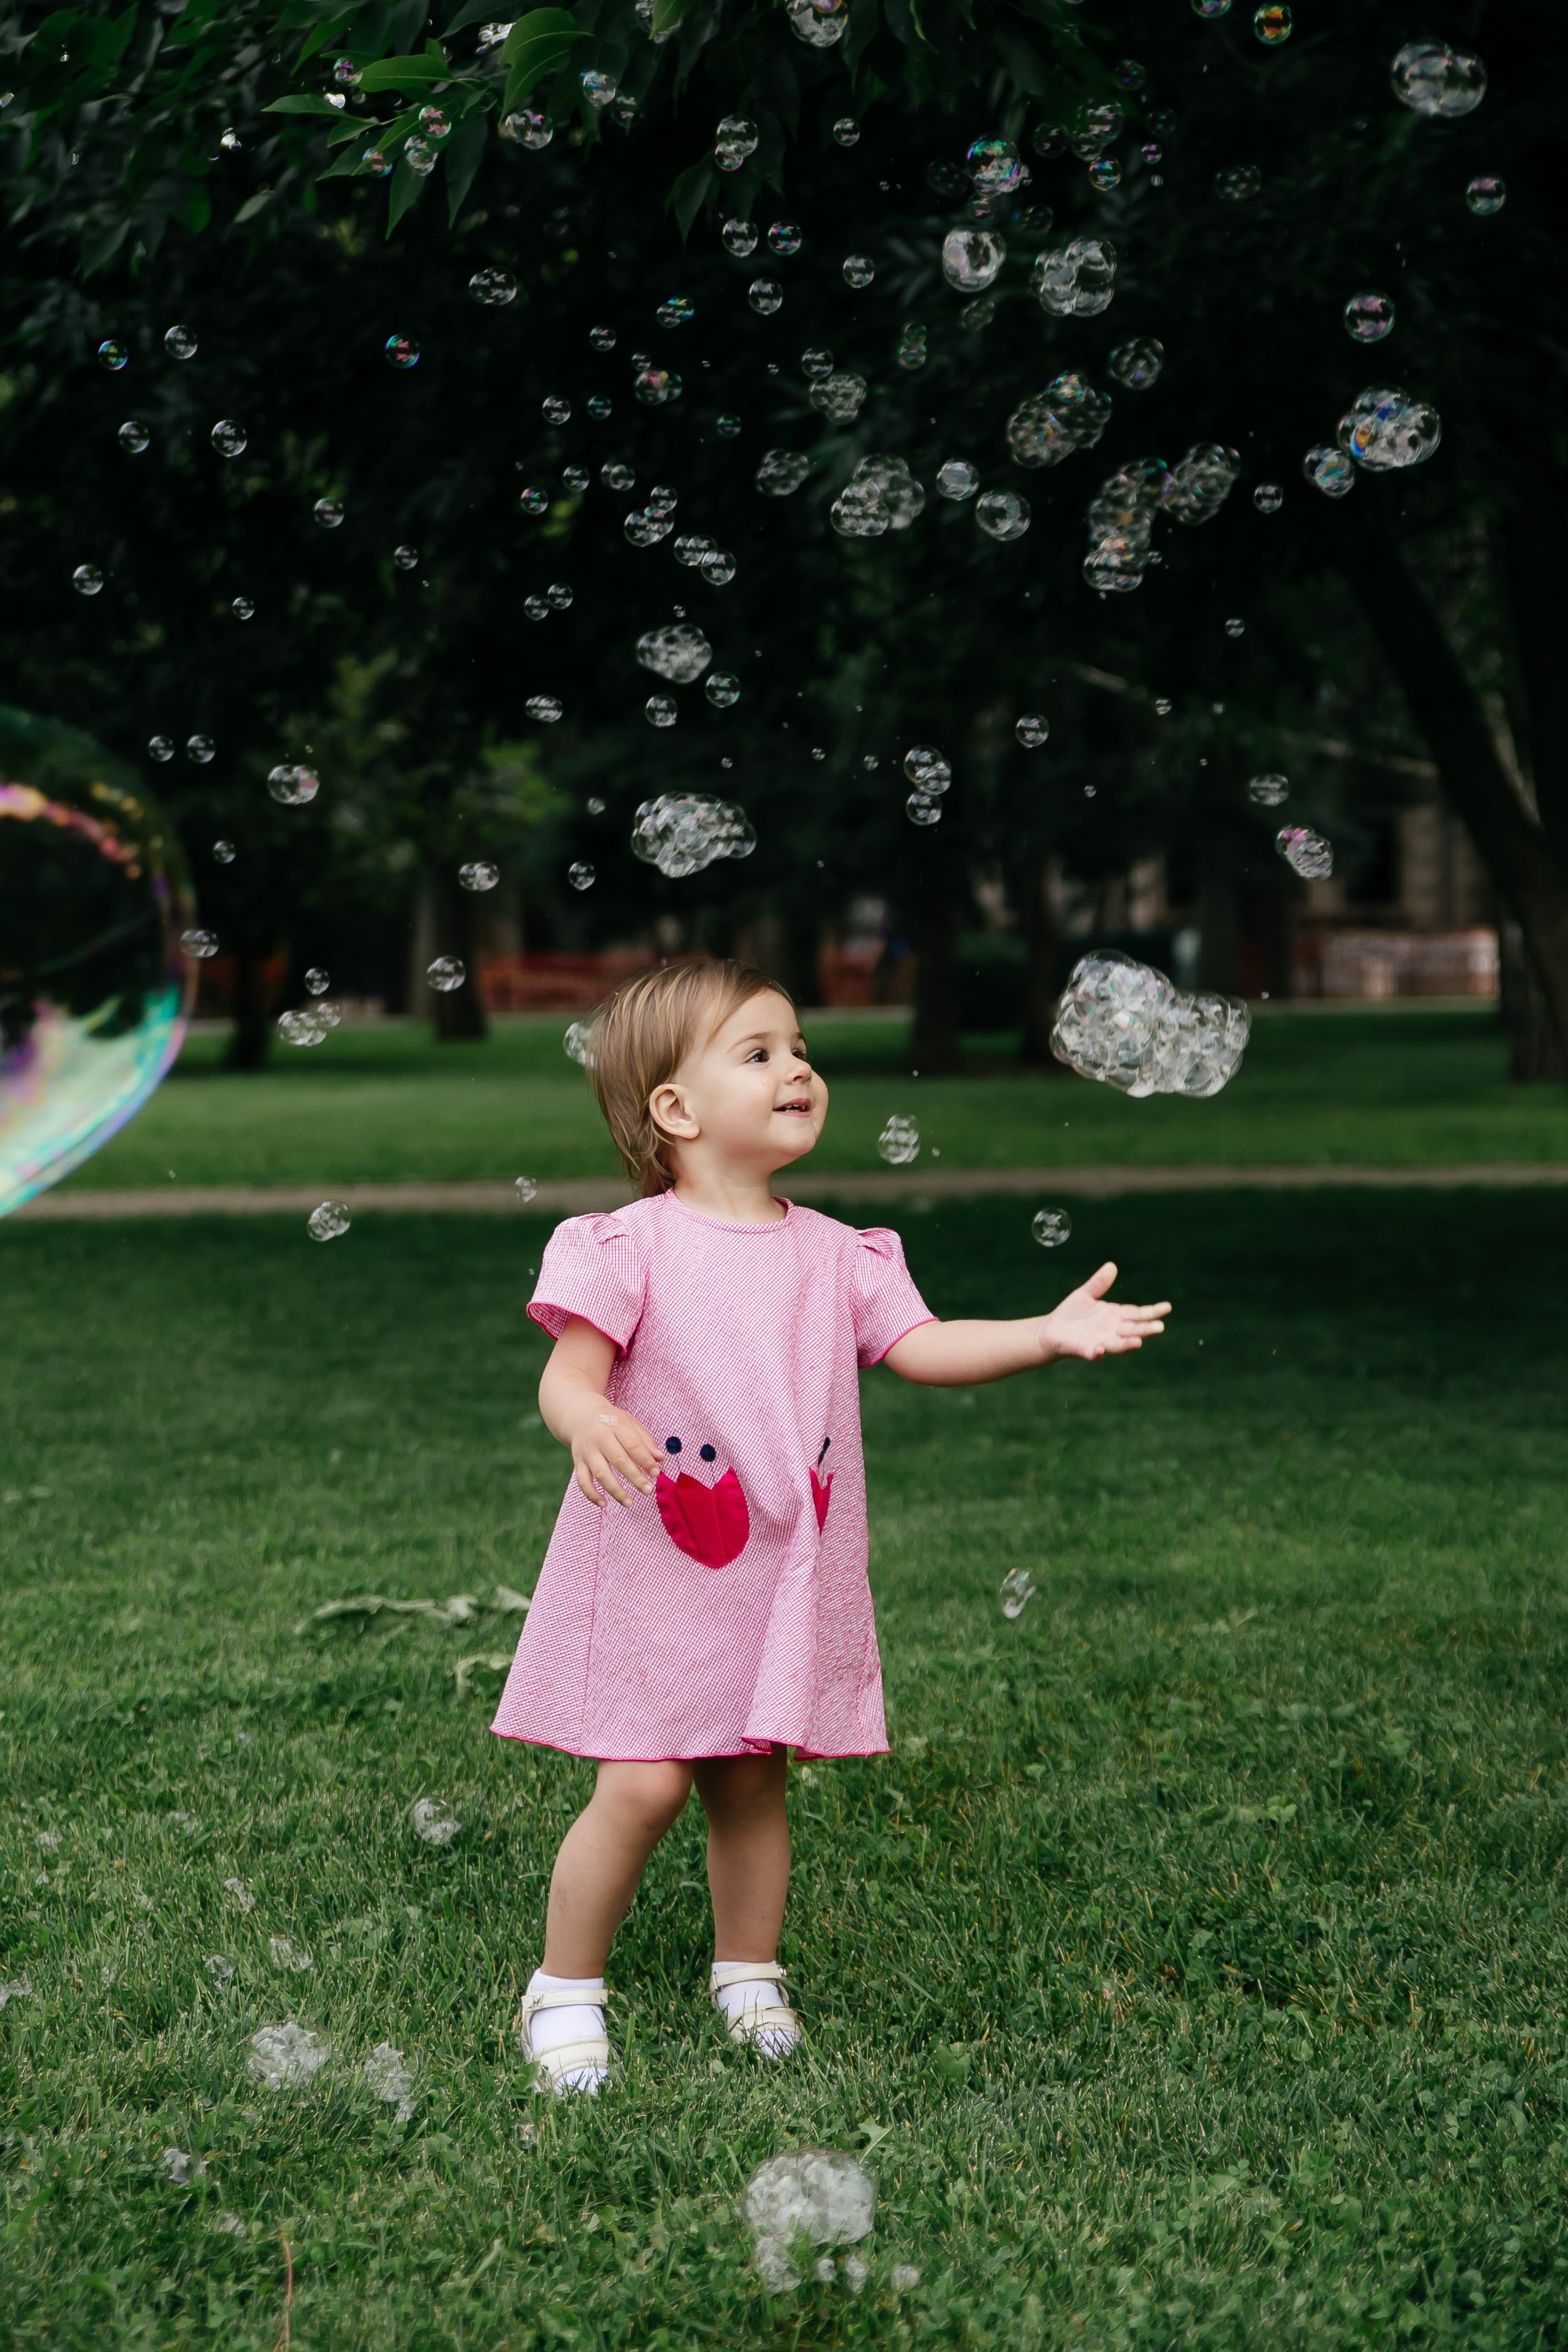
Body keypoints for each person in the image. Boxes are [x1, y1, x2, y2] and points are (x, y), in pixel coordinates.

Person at [491, 959, 1170, 2093]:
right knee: (645, 1785)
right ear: (677, 1109)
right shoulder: (626, 1247)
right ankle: (565, 1987)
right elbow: (569, 1376)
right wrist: (588, 1419)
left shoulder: (839, 1254)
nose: (798, 1068)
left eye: (800, 1048)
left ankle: (749, 1973)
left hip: (777, 1572)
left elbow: (924, 1347)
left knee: (752, 1782)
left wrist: (1043, 1334)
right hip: (661, 1565)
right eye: (760, 1053)